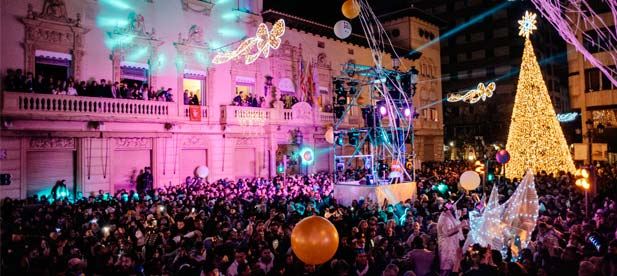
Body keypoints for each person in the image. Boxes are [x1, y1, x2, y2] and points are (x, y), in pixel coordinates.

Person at [437, 202, 465, 276]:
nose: (454, 210)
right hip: (447, 248)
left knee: (452, 269)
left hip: (452, 246)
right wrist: (460, 225)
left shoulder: (449, 216)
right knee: (446, 270)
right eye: (453, 208)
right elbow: (447, 233)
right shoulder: (444, 218)